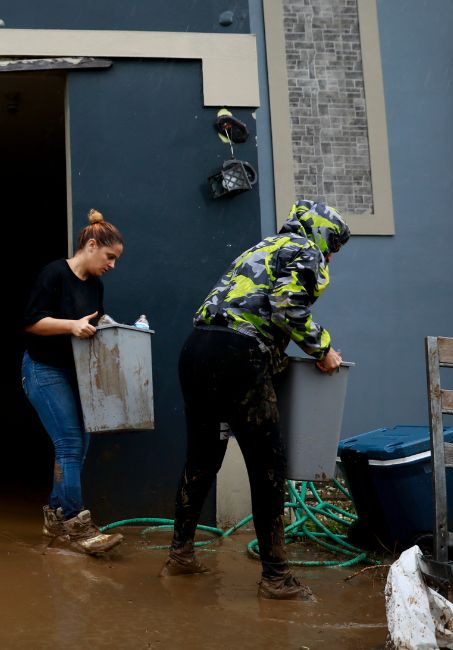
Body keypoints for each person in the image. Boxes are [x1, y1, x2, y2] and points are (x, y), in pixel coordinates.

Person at [162, 200, 350, 600]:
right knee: (268, 464)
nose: (331, 254)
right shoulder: (306, 250)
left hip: (197, 349)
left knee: (203, 458)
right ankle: (276, 576)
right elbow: (287, 308)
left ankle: (179, 555)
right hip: (238, 355)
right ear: (319, 232)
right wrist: (323, 349)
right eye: (333, 243)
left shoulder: (259, 248)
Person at [21, 209, 125, 555]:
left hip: (77, 372)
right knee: (68, 444)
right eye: (110, 257)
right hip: (43, 369)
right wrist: (71, 325)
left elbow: (94, 324)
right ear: (92, 245)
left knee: (79, 448)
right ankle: (79, 528)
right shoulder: (54, 273)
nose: (112, 265)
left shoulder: (96, 285)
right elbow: (32, 322)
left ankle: (56, 520)